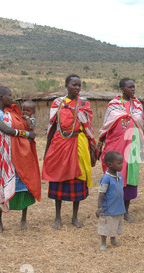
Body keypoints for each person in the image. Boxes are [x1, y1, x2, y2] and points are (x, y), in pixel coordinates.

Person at [0, 86, 41, 233]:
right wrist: (26, 134)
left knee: (23, 183)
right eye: (9, 95)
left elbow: (28, 124)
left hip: (17, 154)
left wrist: (29, 128)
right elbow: (6, 130)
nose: (11, 98)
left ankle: (23, 219)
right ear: (1, 97)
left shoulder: (13, 113)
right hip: (0, 156)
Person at [42, 74, 98, 229]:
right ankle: (57, 217)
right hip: (60, 143)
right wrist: (47, 151)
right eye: (74, 85)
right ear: (66, 85)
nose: (77, 88)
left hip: (78, 142)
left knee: (78, 179)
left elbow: (88, 127)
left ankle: (74, 217)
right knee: (58, 178)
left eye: (80, 85)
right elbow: (52, 127)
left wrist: (92, 147)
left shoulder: (84, 103)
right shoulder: (57, 103)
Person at [98, 78, 144, 223]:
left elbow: (140, 124)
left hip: (132, 146)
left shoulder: (137, 105)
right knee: (115, 177)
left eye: (134, 87)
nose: (133, 90)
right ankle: (112, 210)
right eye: (130, 87)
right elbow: (107, 125)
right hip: (116, 145)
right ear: (122, 89)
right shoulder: (113, 105)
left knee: (130, 177)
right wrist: (100, 143)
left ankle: (125, 211)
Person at [95, 151, 125, 252]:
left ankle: (113, 240)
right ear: (110, 164)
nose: (121, 165)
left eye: (121, 163)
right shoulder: (106, 178)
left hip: (118, 206)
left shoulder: (119, 176)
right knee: (106, 224)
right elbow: (101, 193)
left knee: (115, 223)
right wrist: (99, 208)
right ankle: (103, 243)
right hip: (108, 208)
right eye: (119, 163)